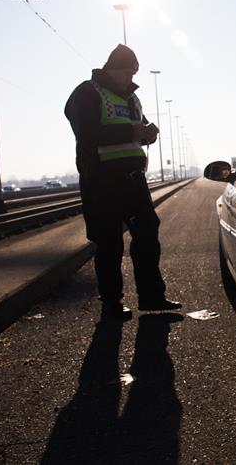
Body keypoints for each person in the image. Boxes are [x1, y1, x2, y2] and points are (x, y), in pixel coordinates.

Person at [65, 44, 181, 320]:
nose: (131, 79)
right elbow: (88, 133)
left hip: (132, 179)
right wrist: (133, 130)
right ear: (111, 69)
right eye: (127, 73)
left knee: (147, 233)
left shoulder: (132, 99)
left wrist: (148, 133)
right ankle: (112, 303)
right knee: (109, 242)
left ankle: (151, 296)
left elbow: (137, 129)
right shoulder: (87, 92)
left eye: (134, 73)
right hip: (101, 181)